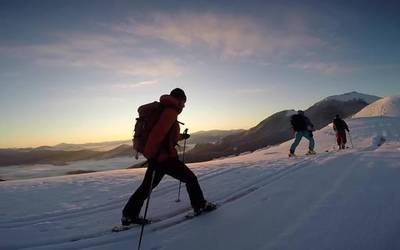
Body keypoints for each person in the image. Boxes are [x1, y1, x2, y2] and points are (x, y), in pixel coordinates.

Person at [122, 88, 216, 226]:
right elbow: (156, 136)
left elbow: (165, 135)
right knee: (191, 179)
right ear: (179, 99)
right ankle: (200, 205)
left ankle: (129, 215)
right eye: (184, 102)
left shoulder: (164, 109)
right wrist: (152, 156)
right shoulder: (170, 112)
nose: (184, 106)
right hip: (165, 158)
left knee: (146, 187)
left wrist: (181, 136)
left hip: (158, 158)